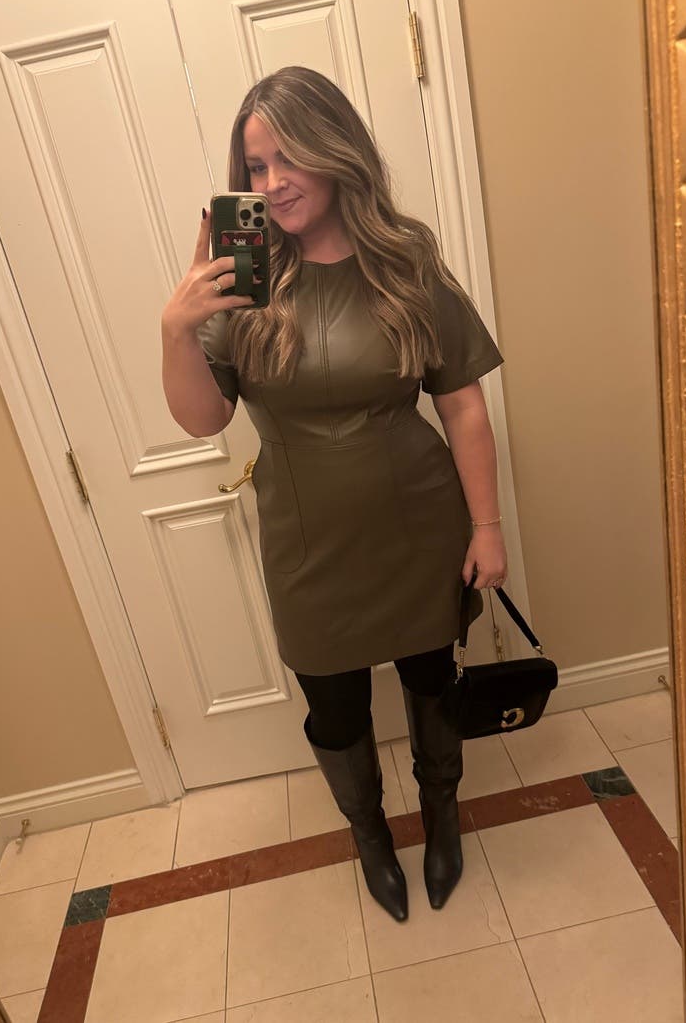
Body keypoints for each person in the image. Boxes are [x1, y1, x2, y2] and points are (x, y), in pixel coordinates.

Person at [161, 66, 507, 923]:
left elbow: (462, 404)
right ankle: (370, 835)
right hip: (306, 544)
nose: (273, 182)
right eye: (257, 166)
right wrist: (176, 329)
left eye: (290, 157)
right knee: (336, 706)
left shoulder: (404, 259)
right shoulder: (245, 280)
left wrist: (487, 527)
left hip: (418, 524)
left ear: (335, 148)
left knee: (433, 677)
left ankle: (442, 813)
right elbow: (204, 419)